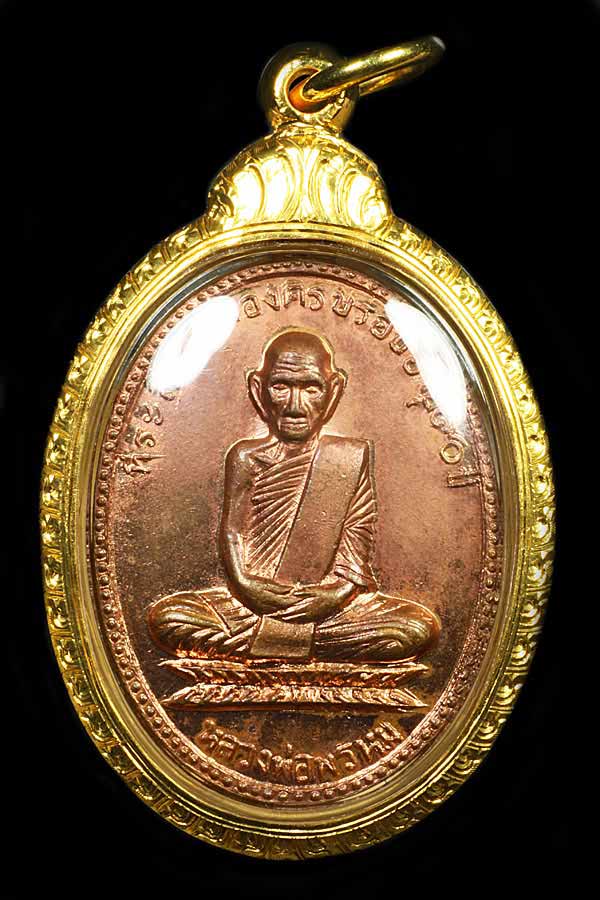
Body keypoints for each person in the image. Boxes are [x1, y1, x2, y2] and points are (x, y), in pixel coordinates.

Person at [148, 327, 440, 662]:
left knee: (415, 628)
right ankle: (304, 643)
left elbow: (356, 544)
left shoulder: (348, 458)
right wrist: (245, 586)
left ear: (334, 390)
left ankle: (275, 641)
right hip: (251, 605)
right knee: (170, 619)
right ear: (258, 389)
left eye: (310, 388)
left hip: (326, 608)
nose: (295, 407)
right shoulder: (245, 457)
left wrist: (335, 596)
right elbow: (233, 533)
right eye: (281, 387)